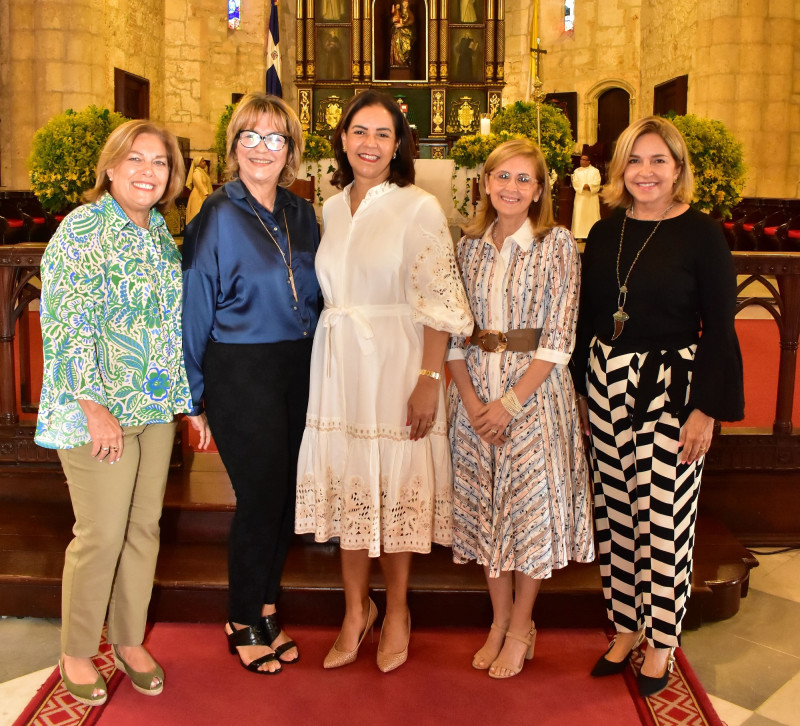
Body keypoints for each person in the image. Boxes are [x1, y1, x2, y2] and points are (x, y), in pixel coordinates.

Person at [295, 90, 472, 673]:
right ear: (342, 139)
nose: (369, 143)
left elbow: (441, 302)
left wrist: (428, 378)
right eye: (359, 131)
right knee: (349, 479)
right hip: (340, 363)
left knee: (395, 483)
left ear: (399, 145)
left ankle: (396, 609)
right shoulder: (331, 206)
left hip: (398, 360)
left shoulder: (418, 206)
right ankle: (355, 610)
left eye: (382, 134)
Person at [572, 116, 744, 697]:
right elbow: (589, 318)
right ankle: (624, 626)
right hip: (604, 385)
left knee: (664, 519)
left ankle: (662, 639)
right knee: (616, 512)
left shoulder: (702, 234)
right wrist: (579, 389)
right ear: (620, 169)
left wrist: (707, 410)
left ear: (678, 170)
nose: (645, 173)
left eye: (658, 162)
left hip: (672, 391)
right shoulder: (604, 231)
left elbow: (721, 327)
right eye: (635, 161)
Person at [35, 119, 203, 706]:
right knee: (101, 532)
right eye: (135, 159)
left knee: (142, 529)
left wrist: (187, 404)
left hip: (152, 405)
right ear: (110, 167)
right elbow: (65, 323)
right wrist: (93, 407)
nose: (147, 171)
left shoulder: (159, 233)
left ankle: (129, 638)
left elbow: (166, 330)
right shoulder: (81, 230)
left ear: (171, 178)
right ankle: (77, 650)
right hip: (95, 408)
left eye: (159, 163)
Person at [182, 93, 320, 674]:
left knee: (283, 496)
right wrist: (192, 399)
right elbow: (193, 307)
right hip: (238, 367)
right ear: (234, 145)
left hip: (298, 363)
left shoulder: (301, 210)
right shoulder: (215, 213)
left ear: (290, 149)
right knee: (259, 496)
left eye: (274, 138)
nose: (261, 149)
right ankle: (241, 617)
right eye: (250, 137)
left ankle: (266, 606)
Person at [447, 138, 594, 679]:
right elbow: (455, 334)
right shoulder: (467, 248)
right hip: (474, 400)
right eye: (502, 176)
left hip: (533, 396)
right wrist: (470, 401)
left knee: (527, 514)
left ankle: (521, 625)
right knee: (488, 510)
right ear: (485, 183)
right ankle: (498, 619)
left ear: (538, 191)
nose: (511, 187)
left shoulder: (555, 245)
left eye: (523, 179)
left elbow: (559, 337)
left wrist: (508, 403)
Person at [570, 153, 602, 240]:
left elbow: (597, 182)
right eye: (581, 159)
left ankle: (593, 235)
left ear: (589, 161)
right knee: (580, 215)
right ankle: (579, 236)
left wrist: (589, 187)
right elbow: (575, 182)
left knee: (592, 215)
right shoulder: (577, 171)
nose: (582, 161)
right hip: (580, 197)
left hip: (591, 197)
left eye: (584, 159)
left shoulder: (595, 171)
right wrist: (584, 186)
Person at [185, 156, 213, 224]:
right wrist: (206, 193)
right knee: (197, 212)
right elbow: (199, 184)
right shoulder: (196, 173)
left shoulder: (203, 172)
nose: (205, 163)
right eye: (203, 161)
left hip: (204, 195)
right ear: (198, 163)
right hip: (198, 196)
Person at [390, 0, 415, 68]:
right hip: (397, 31)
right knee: (397, 44)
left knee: (407, 46)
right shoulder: (399, 11)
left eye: (407, 2)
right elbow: (393, 18)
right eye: (404, 2)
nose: (405, 4)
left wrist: (403, 25)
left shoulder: (409, 13)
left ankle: (404, 61)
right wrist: (393, 20)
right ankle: (397, 61)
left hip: (406, 32)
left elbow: (411, 21)